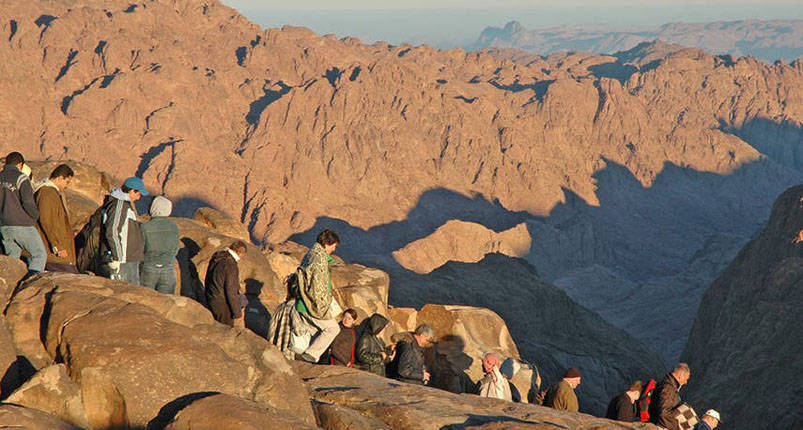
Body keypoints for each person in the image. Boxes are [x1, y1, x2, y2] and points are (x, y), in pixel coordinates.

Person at [296, 230, 341, 363]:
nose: (334, 249)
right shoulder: (319, 260)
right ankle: (310, 355)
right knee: (332, 329)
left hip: (302, 302)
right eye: (333, 246)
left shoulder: (311, 254)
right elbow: (317, 288)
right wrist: (322, 308)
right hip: (311, 304)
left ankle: (302, 354)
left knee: (313, 330)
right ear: (326, 243)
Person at [0, 152, 46, 275]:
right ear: (20, 164)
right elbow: (28, 202)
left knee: (12, 260)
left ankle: (9, 284)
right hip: (22, 224)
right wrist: (36, 216)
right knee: (39, 254)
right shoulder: (21, 178)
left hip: (4, 226)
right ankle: (31, 282)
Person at [98, 177, 147, 284]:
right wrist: (117, 258)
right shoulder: (119, 205)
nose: (139, 198)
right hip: (123, 261)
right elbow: (113, 231)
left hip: (129, 259)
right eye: (138, 194)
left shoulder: (123, 204)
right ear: (131, 190)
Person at [34, 164, 78, 273]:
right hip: (53, 253)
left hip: (55, 251)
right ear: (60, 178)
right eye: (67, 182)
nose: (67, 186)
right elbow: (47, 221)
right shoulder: (47, 193)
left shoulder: (52, 193)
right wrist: (58, 246)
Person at [139, 196, 179, 294]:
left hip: (149, 267)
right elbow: (175, 249)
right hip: (168, 268)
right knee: (166, 300)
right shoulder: (174, 227)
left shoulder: (145, 227)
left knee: (147, 298)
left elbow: (140, 248)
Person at [204, 241, 247, 327]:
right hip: (223, 304)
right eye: (243, 254)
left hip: (211, 297)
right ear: (239, 252)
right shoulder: (230, 264)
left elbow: (208, 278)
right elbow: (231, 290)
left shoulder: (217, 257)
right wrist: (237, 312)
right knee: (225, 330)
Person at [649, 363, 691, 430]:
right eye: (686, 379)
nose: (686, 382)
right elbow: (663, 412)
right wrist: (678, 425)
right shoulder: (669, 388)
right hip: (657, 426)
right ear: (680, 376)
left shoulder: (666, 384)